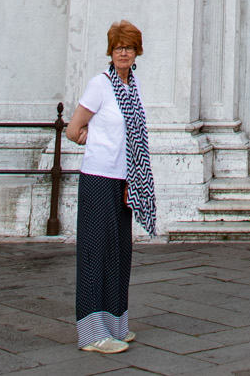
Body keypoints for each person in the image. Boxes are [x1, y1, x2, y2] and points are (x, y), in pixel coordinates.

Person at [64, 20, 155, 354]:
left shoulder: (133, 86)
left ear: (136, 52)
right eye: (118, 47)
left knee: (119, 253)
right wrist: (92, 139)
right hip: (99, 178)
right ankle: (91, 334)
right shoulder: (99, 86)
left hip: (124, 179)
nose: (123, 53)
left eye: (128, 48)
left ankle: (116, 323)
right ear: (111, 51)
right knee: (94, 253)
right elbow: (73, 130)